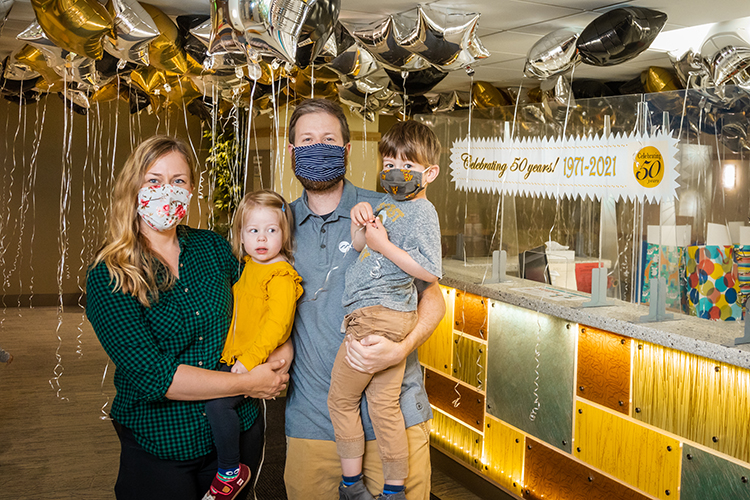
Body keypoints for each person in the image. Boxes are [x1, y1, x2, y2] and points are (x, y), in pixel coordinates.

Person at [86, 135, 288, 500]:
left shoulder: (210, 247)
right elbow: (155, 377)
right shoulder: (110, 273)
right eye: (154, 180)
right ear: (134, 189)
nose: (168, 191)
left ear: (191, 190)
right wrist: (249, 383)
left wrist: (277, 357)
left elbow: (263, 305)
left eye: (178, 181)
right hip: (161, 443)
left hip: (235, 433)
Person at [280, 98, 446, 500]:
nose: (317, 147)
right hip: (313, 423)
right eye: (307, 139)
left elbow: (434, 298)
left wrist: (401, 348)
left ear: (346, 149)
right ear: (291, 151)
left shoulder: (390, 209)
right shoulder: (277, 227)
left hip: (394, 421)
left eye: (328, 139)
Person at [328, 120, 442, 500]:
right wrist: (362, 219)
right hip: (389, 316)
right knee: (383, 407)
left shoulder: (424, 213)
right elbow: (362, 245)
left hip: (375, 315)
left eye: (408, 167)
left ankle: (351, 485)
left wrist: (384, 245)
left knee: (341, 400)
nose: (397, 172)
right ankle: (393, 490)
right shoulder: (388, 203)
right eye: (390, 163)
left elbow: (428, 270)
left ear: (430, 172)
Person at [204, 190, 302, 500]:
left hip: (252, 361)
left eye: (271, 230)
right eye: (253, 230)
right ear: (241, 236)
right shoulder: (248, 265)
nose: (262, 238)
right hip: (234, 356)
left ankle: (230, 471)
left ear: (284, 234)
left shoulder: (281, 275)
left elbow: (277, 326)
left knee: (218, 404)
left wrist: (248, 362)